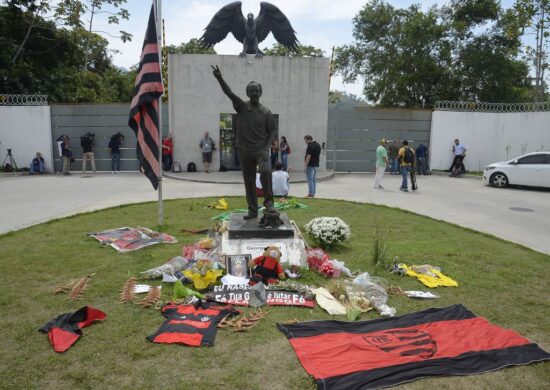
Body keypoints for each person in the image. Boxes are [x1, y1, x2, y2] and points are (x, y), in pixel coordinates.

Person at [211, 65, 277, 220]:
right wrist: (220, 77)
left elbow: (272, 131)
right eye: (252, 90)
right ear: (248, 93)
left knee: (266, 172)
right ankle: (253, 210)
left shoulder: (266, 112)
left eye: (257, 90)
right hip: (244, 150)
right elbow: (229, 93)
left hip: (261, 150)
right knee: (248, 181)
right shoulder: (241, 106)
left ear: (260, 93)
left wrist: (266, 149)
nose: (254, 93)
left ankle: (269, 204)